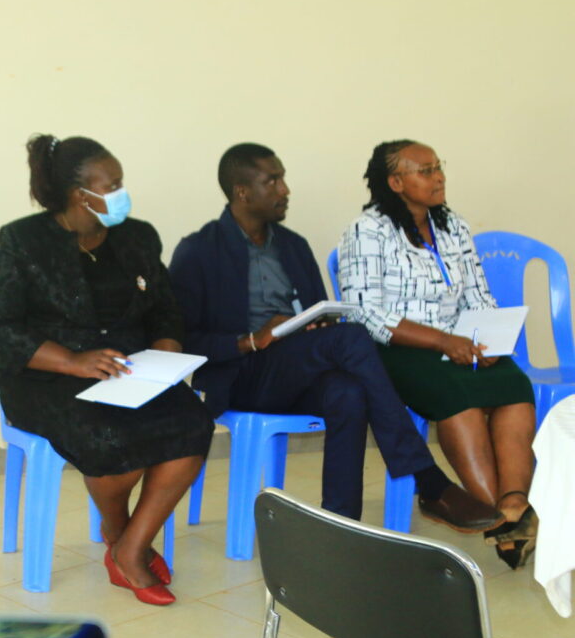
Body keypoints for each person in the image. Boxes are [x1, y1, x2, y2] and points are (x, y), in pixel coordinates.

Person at [168, 143, 501, 531]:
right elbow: (183, 342)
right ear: (242, 192)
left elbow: (318, 313)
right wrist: (251, 340)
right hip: (241, 378)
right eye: (272, 181)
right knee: (353, 338)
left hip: (294, 370)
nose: (285, 190)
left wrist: (314, 326)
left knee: (348, 391)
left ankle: (340, 528)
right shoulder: (198, 251)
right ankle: (427, 479)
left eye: (283, 178)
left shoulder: (293, 246)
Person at [0, 134, 213, 607]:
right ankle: (118, 530)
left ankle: (128, 548)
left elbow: (165, 307)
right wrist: (72, 361)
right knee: (109, 439)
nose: (123, 192)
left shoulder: (138, 236)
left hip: (129, 370)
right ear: (79, 194)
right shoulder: (23, 241)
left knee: (193, 424)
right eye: (113, 184)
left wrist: (165, 357)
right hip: (45, 377)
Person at [337, 140, 538, 569]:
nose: (438, 177)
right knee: (454, 393)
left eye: (438, 167)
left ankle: (514, 505)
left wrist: (486, 341)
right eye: (424, 171)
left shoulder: (454, 227)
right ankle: (496, 517)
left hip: (460, 343)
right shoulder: (367, 230)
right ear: (395, 182)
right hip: (395, 348)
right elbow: (366, 313)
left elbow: (478, 295)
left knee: (512, 383)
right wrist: (442, 342)